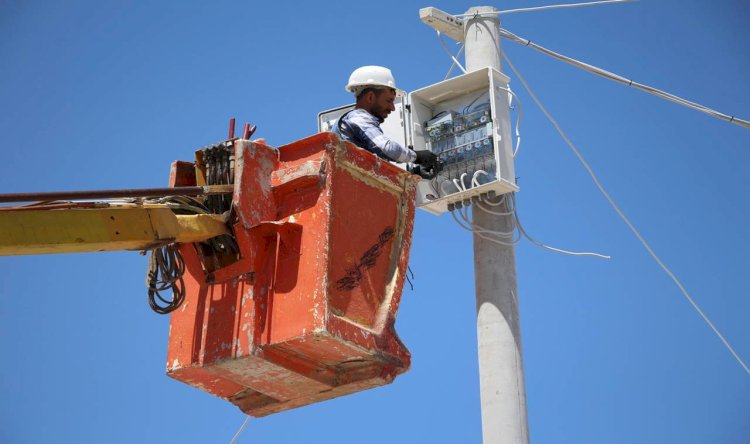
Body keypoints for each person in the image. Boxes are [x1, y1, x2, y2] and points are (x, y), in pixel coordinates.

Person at [332, 65, 439, 178]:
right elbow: (387, 148)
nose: (392, 108)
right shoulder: (357, 118)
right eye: (389, 100)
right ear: (370, 97)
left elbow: (375, 173)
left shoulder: (361, 126)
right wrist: (417, 156)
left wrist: (414, 173)